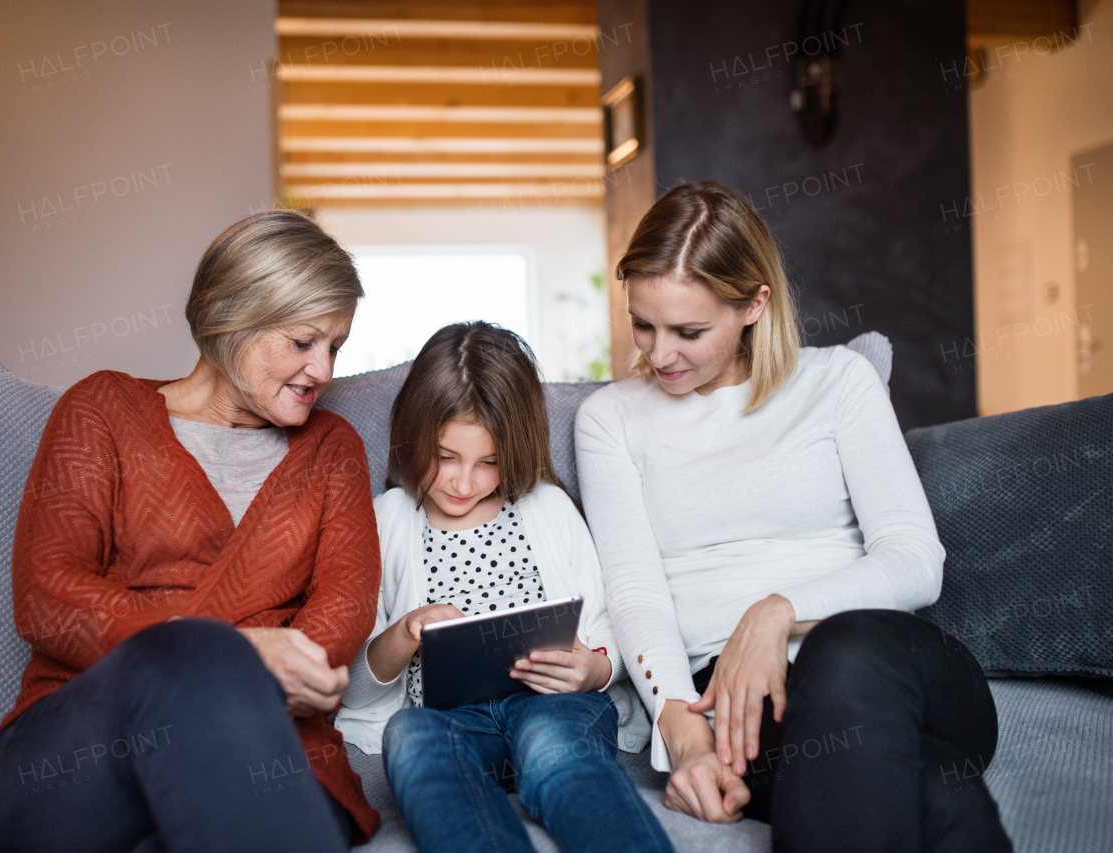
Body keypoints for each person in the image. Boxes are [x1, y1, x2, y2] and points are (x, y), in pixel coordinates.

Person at [574, 181, 1012, 852]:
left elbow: (916, 561)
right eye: (643, 323)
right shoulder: (611, 419)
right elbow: (634, 588)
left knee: (846, 649)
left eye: (689, 331)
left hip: (898, 665)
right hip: (748, 709)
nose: (659, 354)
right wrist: (684, 735)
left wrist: (777, 610)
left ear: (754, 304)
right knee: (939, 792)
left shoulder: (839, 382)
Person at [0, 210, 382, 852]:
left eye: (336, 347)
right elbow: (46, 595)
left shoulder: (333, 449)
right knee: (187, 662)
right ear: (232, 315)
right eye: (304, 342)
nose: (324, 371)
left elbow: (344, 607)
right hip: (82, 751)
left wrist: (244, 675)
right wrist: (236, 655)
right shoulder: (101, 410)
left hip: (266, 750)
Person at [334, 322, 669, 853]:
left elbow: (613, 623)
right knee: (410, 736)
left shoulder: (546, 508)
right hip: (448, 721)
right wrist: (403, 633)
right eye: (445, 457)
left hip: (553, 706)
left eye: (488, 463)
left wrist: (596, 668)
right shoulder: (387, 520)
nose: (463, 483)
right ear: (413, 433)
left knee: (557, 749)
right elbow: (353, 689)